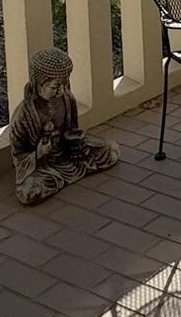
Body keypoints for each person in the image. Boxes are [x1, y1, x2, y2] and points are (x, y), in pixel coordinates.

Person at [7, 47, 118, 204]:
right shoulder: (24, 114)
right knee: (30, 190)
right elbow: (18, 155)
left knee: (109, 150)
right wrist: (39, 154)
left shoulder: (66, 99)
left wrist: (77, 144)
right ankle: (58, 178)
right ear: (39, 84)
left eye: (63, 86)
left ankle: (69, 174)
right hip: (43, 166)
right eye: (54, 87)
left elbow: (72, 131)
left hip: (67, 157)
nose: (60, 91)